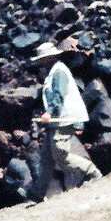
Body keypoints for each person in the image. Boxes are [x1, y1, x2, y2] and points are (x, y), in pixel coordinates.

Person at [32, 45, 96, 195]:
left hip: (64, 119)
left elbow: (58, 96)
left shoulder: (59, 72)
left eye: (42, 59)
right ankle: (37, 194)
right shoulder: (54, 71)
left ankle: (92, 172)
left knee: (60, 154)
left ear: (48, 58)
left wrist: (49, 113)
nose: (41, 62)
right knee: (46, 158)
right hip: (58, 120)